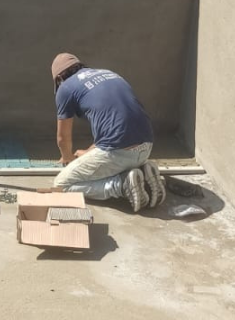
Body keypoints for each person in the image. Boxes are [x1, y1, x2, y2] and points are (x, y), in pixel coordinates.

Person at [50, 53, 165, 211]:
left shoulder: (66, 87)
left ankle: (121, 185)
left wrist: (67, 158)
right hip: (147, 146)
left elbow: (63, 138)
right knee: (116, 158)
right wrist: (88, 152)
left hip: (119, 153)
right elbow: (117, 126)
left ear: (59, 78)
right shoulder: (109, 74)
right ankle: (144, 174)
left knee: (62, 184)